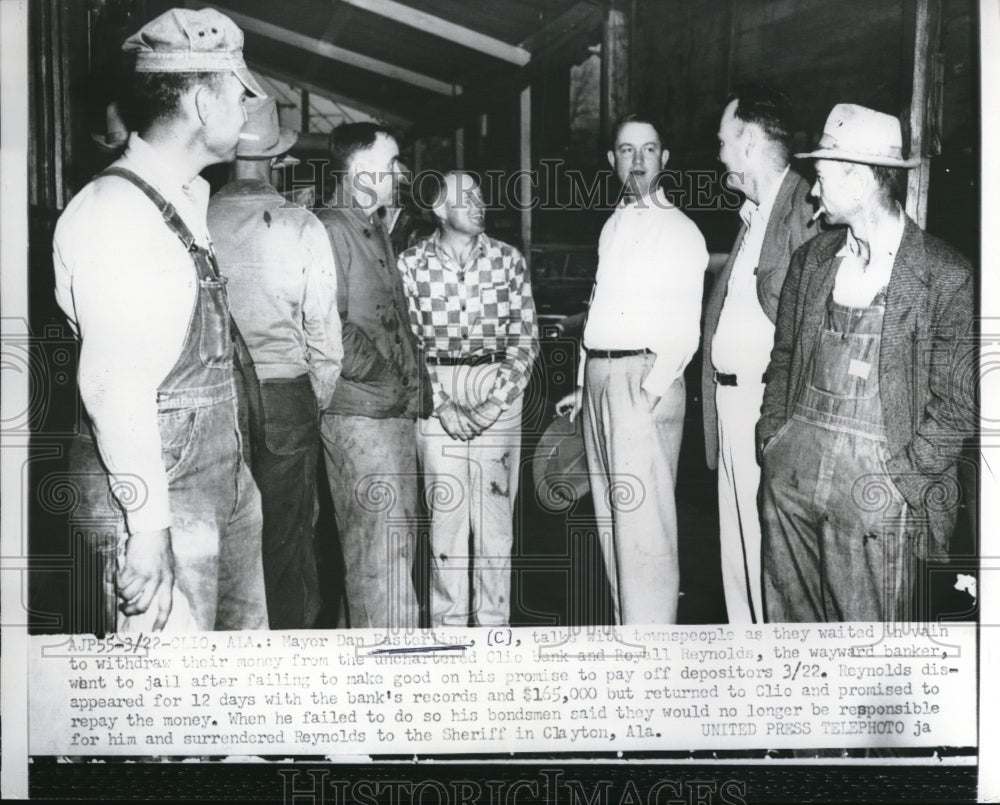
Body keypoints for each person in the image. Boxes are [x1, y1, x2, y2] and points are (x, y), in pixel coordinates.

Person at [52, 7, 269, 631]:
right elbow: (113, 387)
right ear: (203, 103)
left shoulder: (180, 197)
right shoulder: (119, 211)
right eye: (238, 94)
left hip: (216, 476)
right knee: (168, 694)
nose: (245, 109)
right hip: (156, 492)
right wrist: (147, 530)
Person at [757, 103, 974, 622]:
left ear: (857, 179)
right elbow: (783, 358)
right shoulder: (812, 262)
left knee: (866, 652)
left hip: (878, 488)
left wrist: (905, 479)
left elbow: (962, 403)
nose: (813, 191)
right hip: (792, 475)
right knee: (791, 638)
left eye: (822, 177)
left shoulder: (945, 274)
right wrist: (773, 441)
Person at [556, 114, 709, 625]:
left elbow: (686, 328)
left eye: (649, 150)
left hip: (644, 380)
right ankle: (631, 637)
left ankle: (654, 652)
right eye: (627, 150)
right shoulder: (615, 223)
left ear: (665, 160)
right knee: (612, 522)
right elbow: (599, 307)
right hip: (603, 379)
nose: (638, 161)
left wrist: (650, 389)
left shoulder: (679, 230)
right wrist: (583, 383)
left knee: (645, 531)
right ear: (612, 161)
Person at [207, 96, 343, 629]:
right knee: (286, 544)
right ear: (275, 157)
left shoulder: (196, 217)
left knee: (223, 544)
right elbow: (324, 335)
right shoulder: (301, 223)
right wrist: (315, 400)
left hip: (218, 398)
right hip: (288, 395)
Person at [398, 171, 537, 626]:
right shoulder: (410, 265)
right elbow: (407, 343)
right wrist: (441, 404)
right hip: (437, 392)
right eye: (467, 196)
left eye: (480, 194)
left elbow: (525, 338)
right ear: (439, 209)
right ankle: (448, 631)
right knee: (446, 525)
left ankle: (494, 632)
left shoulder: (508, 261)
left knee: (496, 526)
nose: (479, 202)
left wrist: (495, 402)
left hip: (498, 387)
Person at [701, 85, 818, 623]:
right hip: (732, 406)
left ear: (748, 141)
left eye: (725, 141)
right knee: (738, 549)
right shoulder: (754, 215)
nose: (720, 153)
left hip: (766, 407)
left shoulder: (803, 209)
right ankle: (746, 664)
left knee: (769, 553)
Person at [313, 123, 423, 630]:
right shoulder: (330, 230)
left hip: (387, 414)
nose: (400, 172)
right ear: (359, 172)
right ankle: (390, 680)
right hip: (361, 416)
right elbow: (327, 327)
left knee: (383, 555)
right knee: (380, 559)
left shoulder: (371, 224)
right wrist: (384, 378)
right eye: (391, 161)